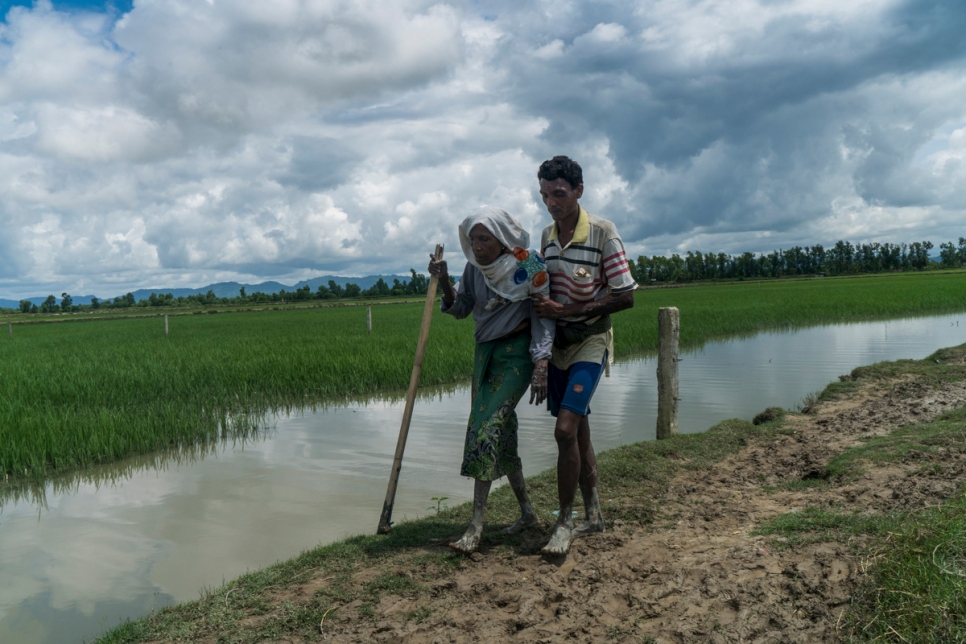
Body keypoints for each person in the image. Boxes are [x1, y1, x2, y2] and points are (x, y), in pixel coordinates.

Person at [428, 205, 555, 554]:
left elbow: (544, 312)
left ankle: (476, 526)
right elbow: (461, 307)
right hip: (485, 356)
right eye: (473, 239)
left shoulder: (530, 264)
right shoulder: (474, 269)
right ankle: (528, 514)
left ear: (502, 239)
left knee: (484, 429)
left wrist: (542, 361)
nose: (478, 245)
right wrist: (444, 281)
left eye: (484, 238)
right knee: (503, 433)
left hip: (516, 356)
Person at [532, 155, 637, 555]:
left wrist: (570, 311)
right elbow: (541, 295)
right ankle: (594, 514)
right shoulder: (545, 237)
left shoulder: (603, 233)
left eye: (559, 194)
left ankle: (564, 521)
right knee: (579, 431)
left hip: (591, 341)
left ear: (578, 191)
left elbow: (625, 297)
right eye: (544, 194)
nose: (551, 202)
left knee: (564, 430)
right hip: (558, 346)